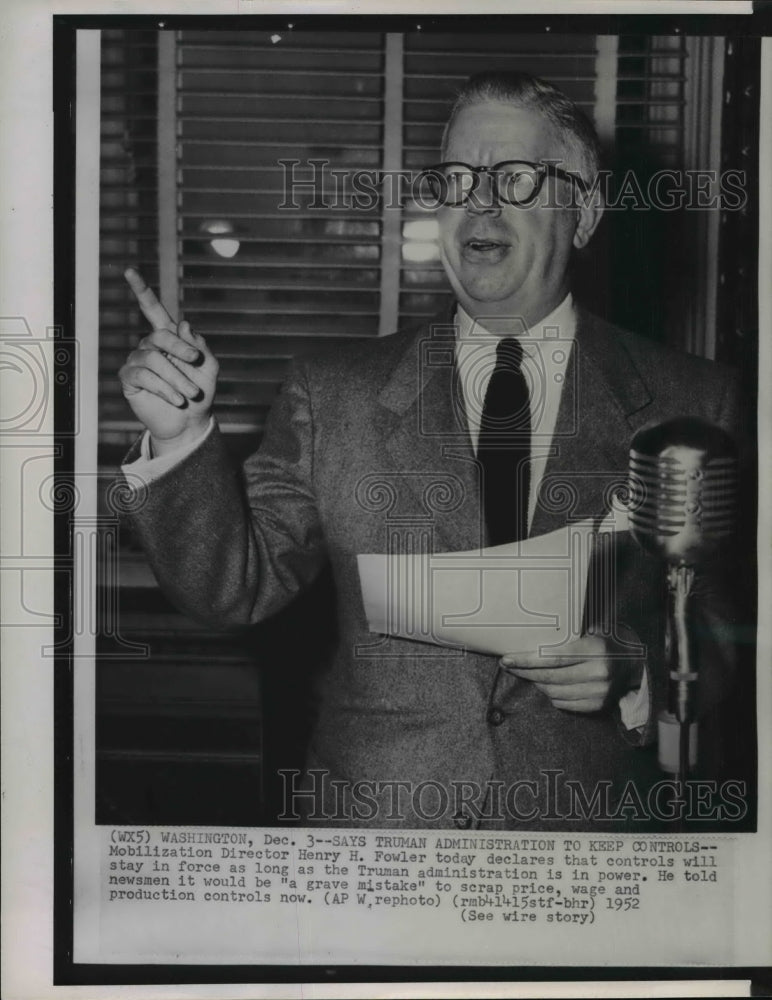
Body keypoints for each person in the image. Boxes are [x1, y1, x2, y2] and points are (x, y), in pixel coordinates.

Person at [118, 72, 745, 830]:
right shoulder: (334, 394)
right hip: (378, 851)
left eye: (514, 178)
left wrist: (638, 671)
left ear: (584, 214)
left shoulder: (696, 401)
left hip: (586, 850)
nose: (478, 202)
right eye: (456, 178)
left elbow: (726, 631)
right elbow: (232, 589)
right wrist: (181, 436)